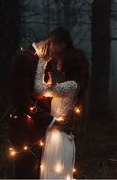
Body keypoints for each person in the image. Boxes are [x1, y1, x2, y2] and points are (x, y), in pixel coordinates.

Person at [34, 28, 90, 179]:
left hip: (59, 141)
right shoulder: (70, 85)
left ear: (69, 64)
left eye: (60, 59)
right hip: (56, 137)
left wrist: (42, 61)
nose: (58, 61)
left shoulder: (71, 85)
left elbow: (39, 88)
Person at [8, 42, 65, 178]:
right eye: (55, 51)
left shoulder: (45, 62)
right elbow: (21, 99)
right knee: (26, 172)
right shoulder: (22, 59)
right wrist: (50, 121)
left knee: (40, 172)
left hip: (42, 132)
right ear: (48, 43)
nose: (55, 56)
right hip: (25, 132)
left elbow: (45, 93)